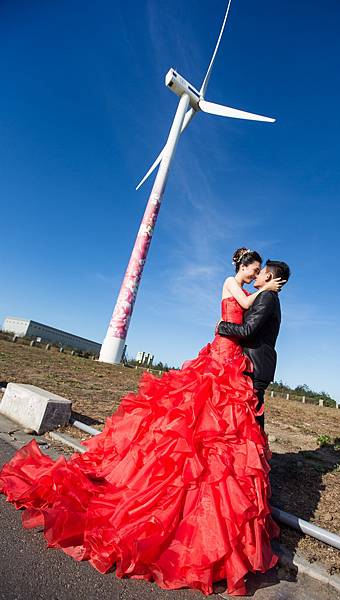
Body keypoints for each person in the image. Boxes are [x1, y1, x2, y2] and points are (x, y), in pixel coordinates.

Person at [0, 248, 282, 596]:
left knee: (215, 424)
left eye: (258, 273)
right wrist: (266, 289)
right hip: (223, 351)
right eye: (253, 270)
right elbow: (244, 305)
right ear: (242, 266)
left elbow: (248, 314)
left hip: (230, 356)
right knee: (195, 417)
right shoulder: (232, 283)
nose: (255, 276)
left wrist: (266, 291)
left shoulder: (255, 292)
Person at [218, 260, 290, 430]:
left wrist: (222, 326)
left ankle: (257, 455)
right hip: (257, 363)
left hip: (256, 365)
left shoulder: (267, 297)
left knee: (252, 420)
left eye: (260, 271)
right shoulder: (266, 296)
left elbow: (247, 330)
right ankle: (255, 454)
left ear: (268, 276)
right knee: (249, 417)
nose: (257, 275)